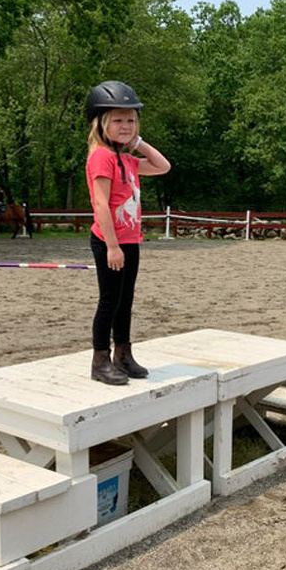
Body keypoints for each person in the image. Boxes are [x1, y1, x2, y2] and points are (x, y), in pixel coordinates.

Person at [85, 80, 171, 385]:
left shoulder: (126, 158)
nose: (126, 125)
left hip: (131, 240)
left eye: (131, 120)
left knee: (126, 300)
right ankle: (100, 360)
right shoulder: (101, 157)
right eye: (118, 120)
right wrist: (111, 246)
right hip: (111, 241)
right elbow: (101, 204)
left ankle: (123, 353)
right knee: (109, 300)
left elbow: (163, 166)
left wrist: (137, 141)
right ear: (102, 122)